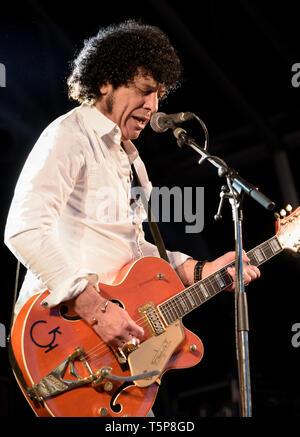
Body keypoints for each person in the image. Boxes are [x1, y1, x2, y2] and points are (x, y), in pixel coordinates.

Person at [4, 19, 260, 409]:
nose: (154, 107)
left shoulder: (130, 160)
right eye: (144, 91)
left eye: (159, 94)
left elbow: (135, 254)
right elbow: (22, 229)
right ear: (105, 81)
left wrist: (200, 271)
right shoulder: (69, 134)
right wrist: (97, 309)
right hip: (66, 343)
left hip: (117, 363)